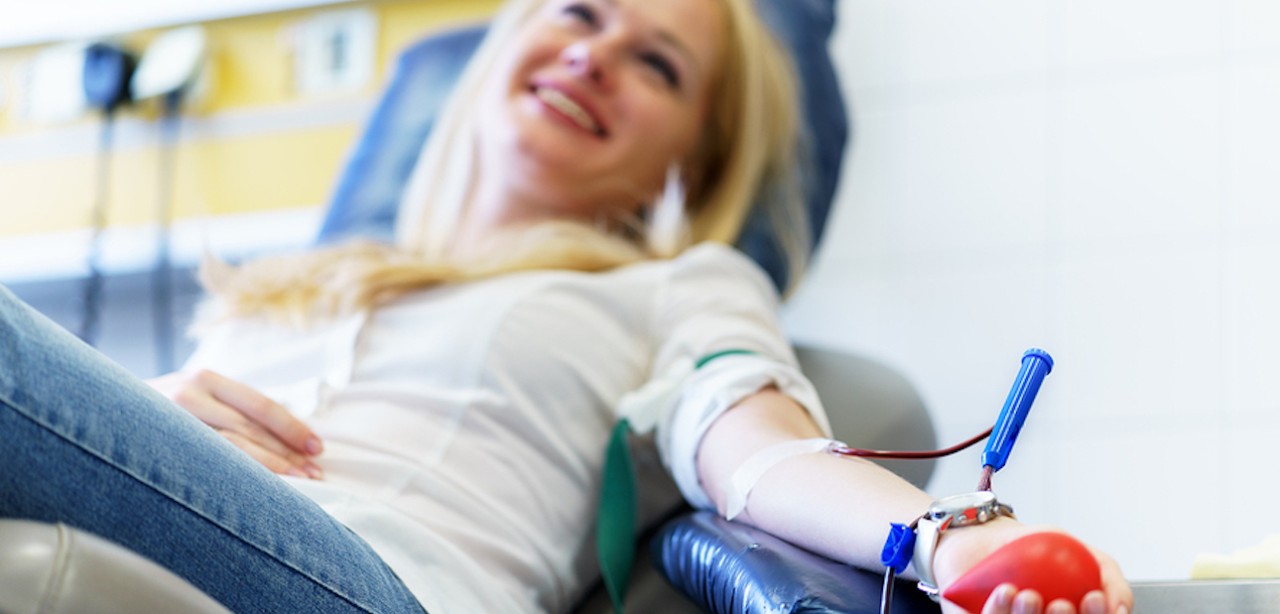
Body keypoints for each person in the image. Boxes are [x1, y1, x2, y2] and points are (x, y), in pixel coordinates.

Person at [0, 0, 1133, 613]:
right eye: (579, 13)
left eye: (657, 65)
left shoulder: (670, 283)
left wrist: (952, 535)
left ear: (691, 155)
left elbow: (754, 451)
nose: (595, 56)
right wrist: (143, 406)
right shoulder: (284, 283)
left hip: (380, 581)